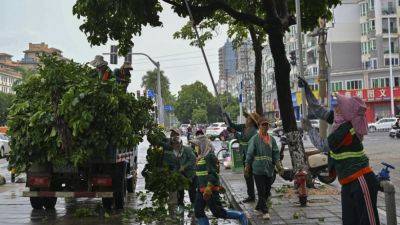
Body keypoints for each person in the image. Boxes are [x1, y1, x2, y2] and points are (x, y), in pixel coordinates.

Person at [299, 77, 380, 225]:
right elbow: (319, 110)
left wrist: (309, 128)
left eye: (339, 106)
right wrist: (307, 90)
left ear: (346, 112)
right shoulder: (340, 121)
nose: (336, 107)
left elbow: (323, 145)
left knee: (368, 222)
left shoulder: (345, 130)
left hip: (361, 180)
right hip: (348, 182)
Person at [189, 135, 247, 225]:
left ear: (202, 145)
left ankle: (241, 216)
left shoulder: (209, 157)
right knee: (198, 212)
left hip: (210, 191)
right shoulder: (200, 157)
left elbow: (213, 174)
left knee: (218, 212)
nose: (195, 148)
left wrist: (208, 187)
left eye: (197, 145)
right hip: (201, 191)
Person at [245, 117, 281, 220]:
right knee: (261, 190)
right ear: (259, 126)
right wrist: (247, 165)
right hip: (258, 169)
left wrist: (278, 165)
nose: (265, 126)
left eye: (266, 125)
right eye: (263, 125)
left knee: (267, 190)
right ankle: (265, 211)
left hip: (269, 169)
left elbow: (275, 153)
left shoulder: (272, 139)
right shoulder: (255, 139)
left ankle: (259, 206)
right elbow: (250, 153)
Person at [224, 112, 260, 203]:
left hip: (251, 156)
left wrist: (235, 132)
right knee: (247, 175)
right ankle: (251, 195)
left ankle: (259, 195)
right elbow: (233, 125)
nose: (246, 120)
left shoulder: (253, 130)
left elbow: (243, 138)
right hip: (244, 154)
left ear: (252, 122)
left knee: (253, 175)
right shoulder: (244, 127)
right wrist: (226, 116)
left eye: (248, 119)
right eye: (247, 118)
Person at [170, 131, 197, 211]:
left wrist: (184, 166)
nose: (176, 146)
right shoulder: (173, 153)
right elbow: (175, 164)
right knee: (180, 190)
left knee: (192, 191)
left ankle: (193, 206)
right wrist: (175, 172)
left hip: (191, 173)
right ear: (172, 145)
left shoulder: (187, 149)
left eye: (177, 144)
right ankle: (180, 206)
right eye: (174, 144)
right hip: (180, 175)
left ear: (180, 144)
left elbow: (193, 159)